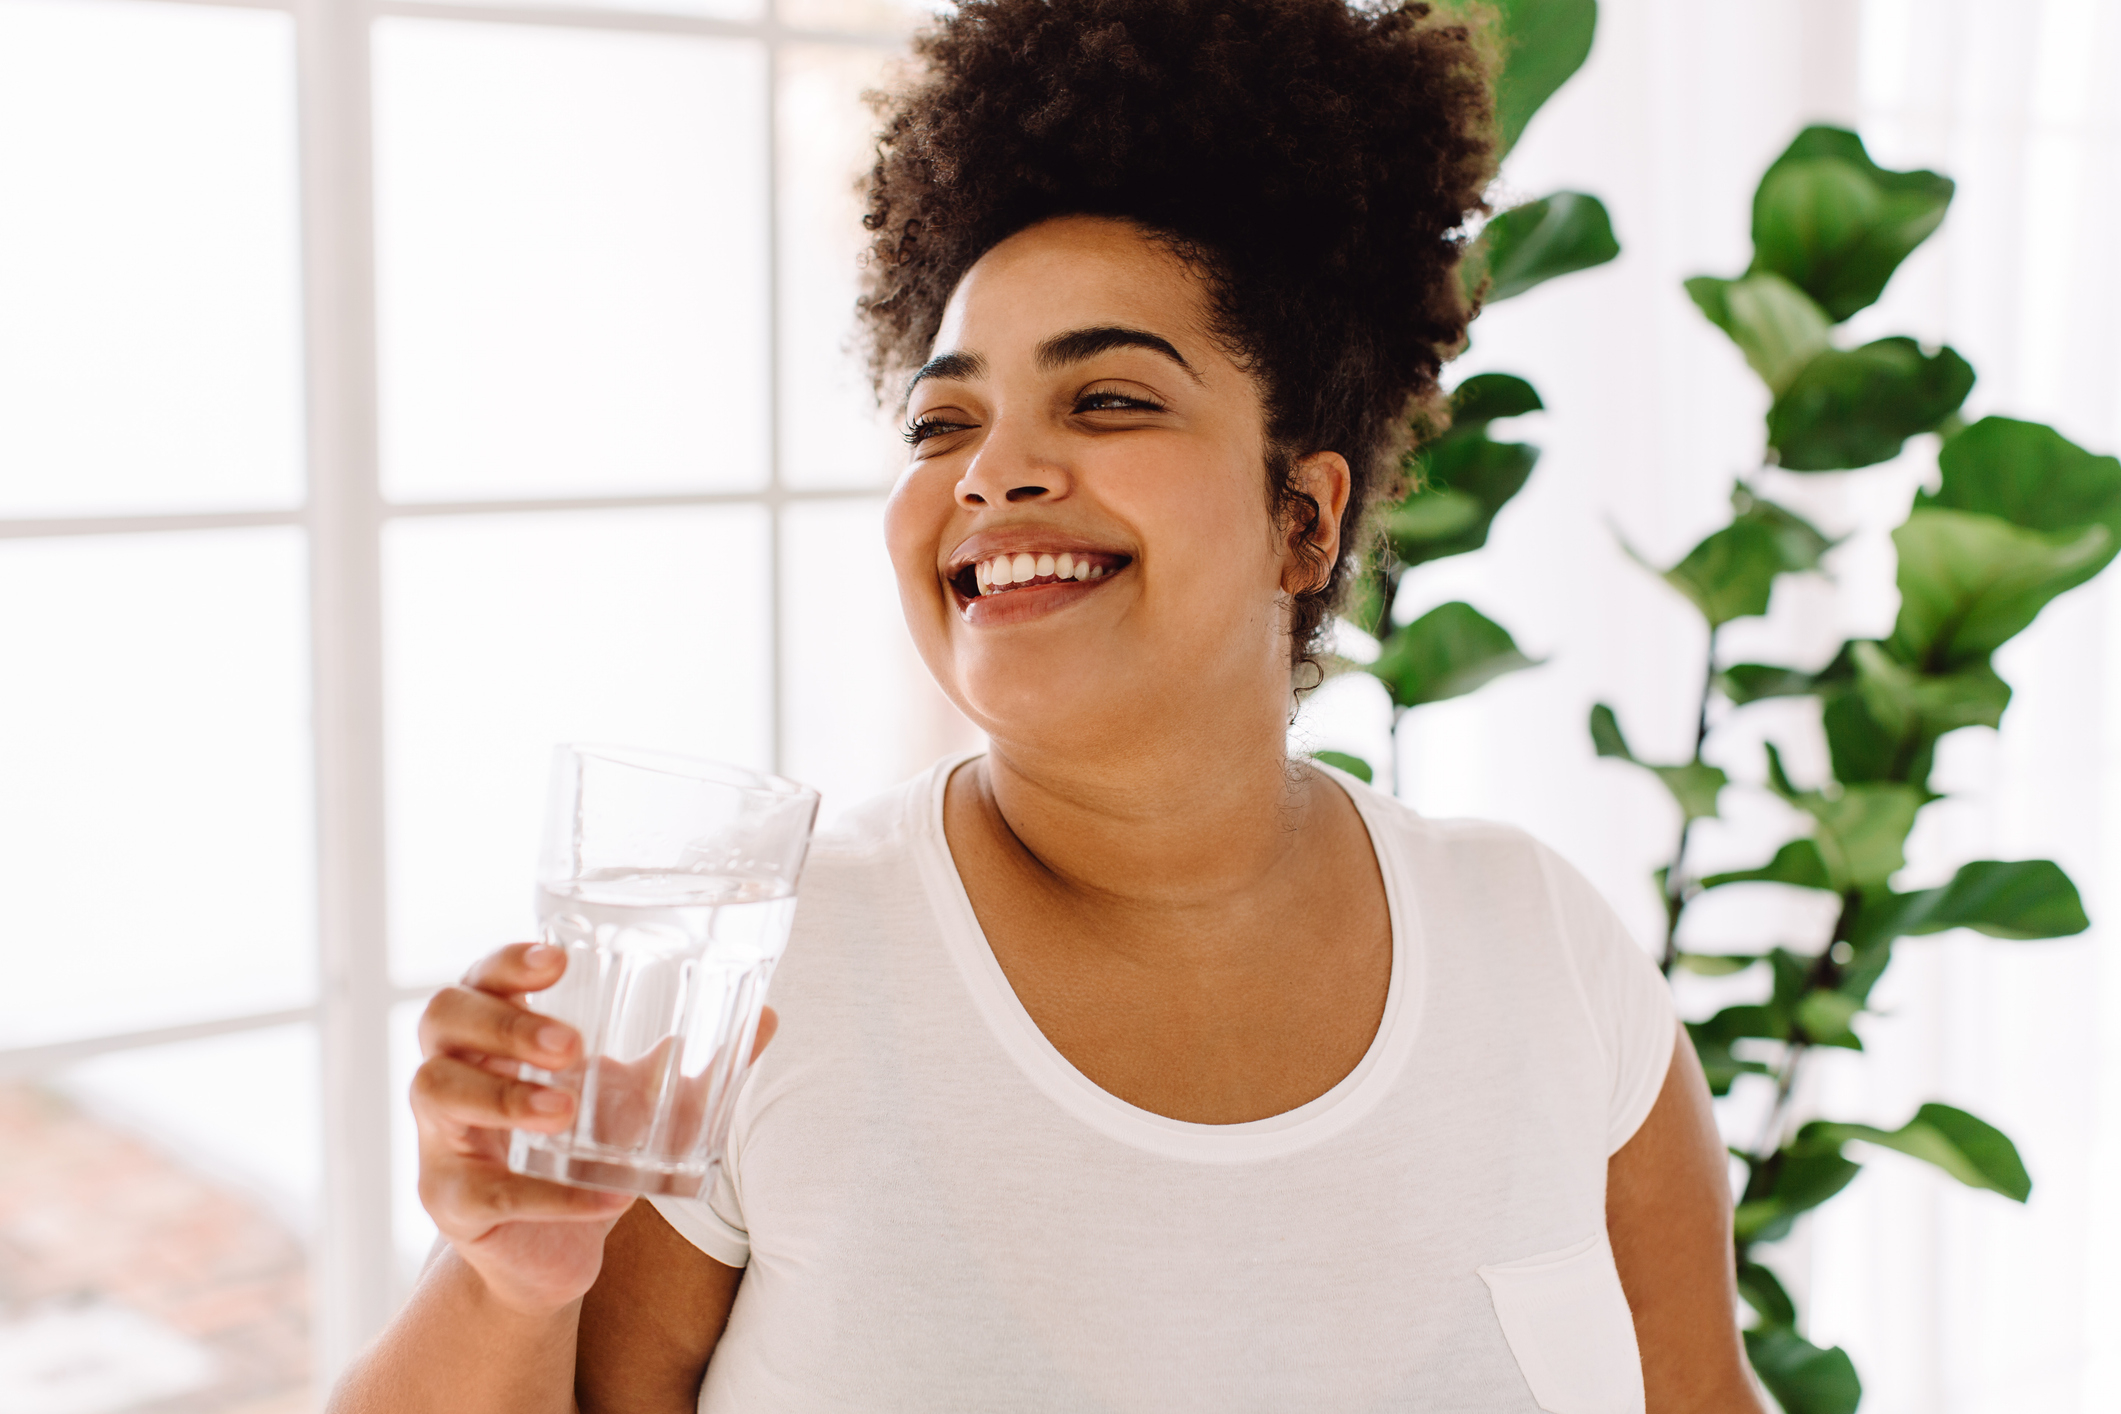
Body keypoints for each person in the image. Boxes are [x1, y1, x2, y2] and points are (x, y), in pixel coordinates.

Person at [332, 2, 1766, 1410]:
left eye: (1109, 400)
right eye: (940, 421)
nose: (989, 470)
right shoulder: (761, 974)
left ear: (1302, 521)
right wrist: (508, 1283)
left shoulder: (1541, 950)